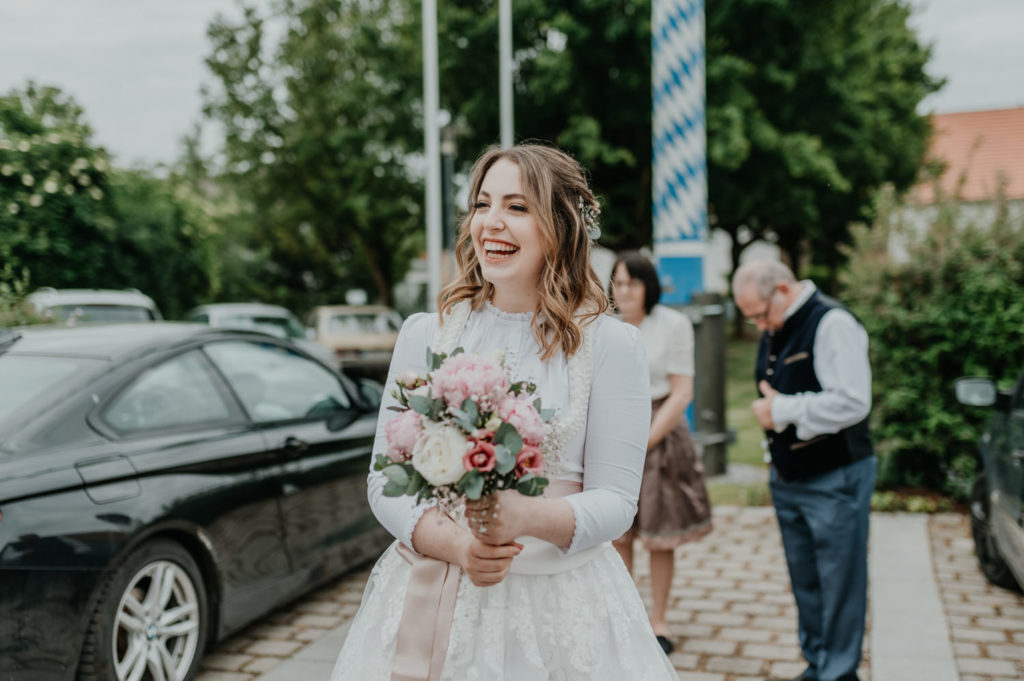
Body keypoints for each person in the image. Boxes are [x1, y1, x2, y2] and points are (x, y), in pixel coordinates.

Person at [330, 144, 679, 681]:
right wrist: (458, 545)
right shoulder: (426, 333)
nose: (491, 222)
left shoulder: (610, 344)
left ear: (561, 226)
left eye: (517, 207)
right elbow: (383, 480)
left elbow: (617, 502)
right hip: (439, 586)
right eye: (481, 204)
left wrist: (524, 518)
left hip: (563, 605)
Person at [731, 259, 875, 681]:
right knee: (806, 581)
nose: (758, 326)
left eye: (760, 314)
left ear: (782, 289)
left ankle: (839, 672)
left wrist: (782, 410)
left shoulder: (832, 323)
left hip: (835, 475)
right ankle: (818, 664)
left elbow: (853, 401)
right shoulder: (777, 324)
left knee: (840, 584)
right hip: (789, 478)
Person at [609, 250, 712, 655]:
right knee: (617, 535)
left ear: (648, 286)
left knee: (659, 534)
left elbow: (682, 390)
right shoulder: (605, 326)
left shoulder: (673, 324)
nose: (624, 291)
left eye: (631, 283)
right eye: (617, 283)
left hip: (660, 429)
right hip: (614, 428)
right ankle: (623, 615)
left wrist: (645, 439)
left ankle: (659, 621)